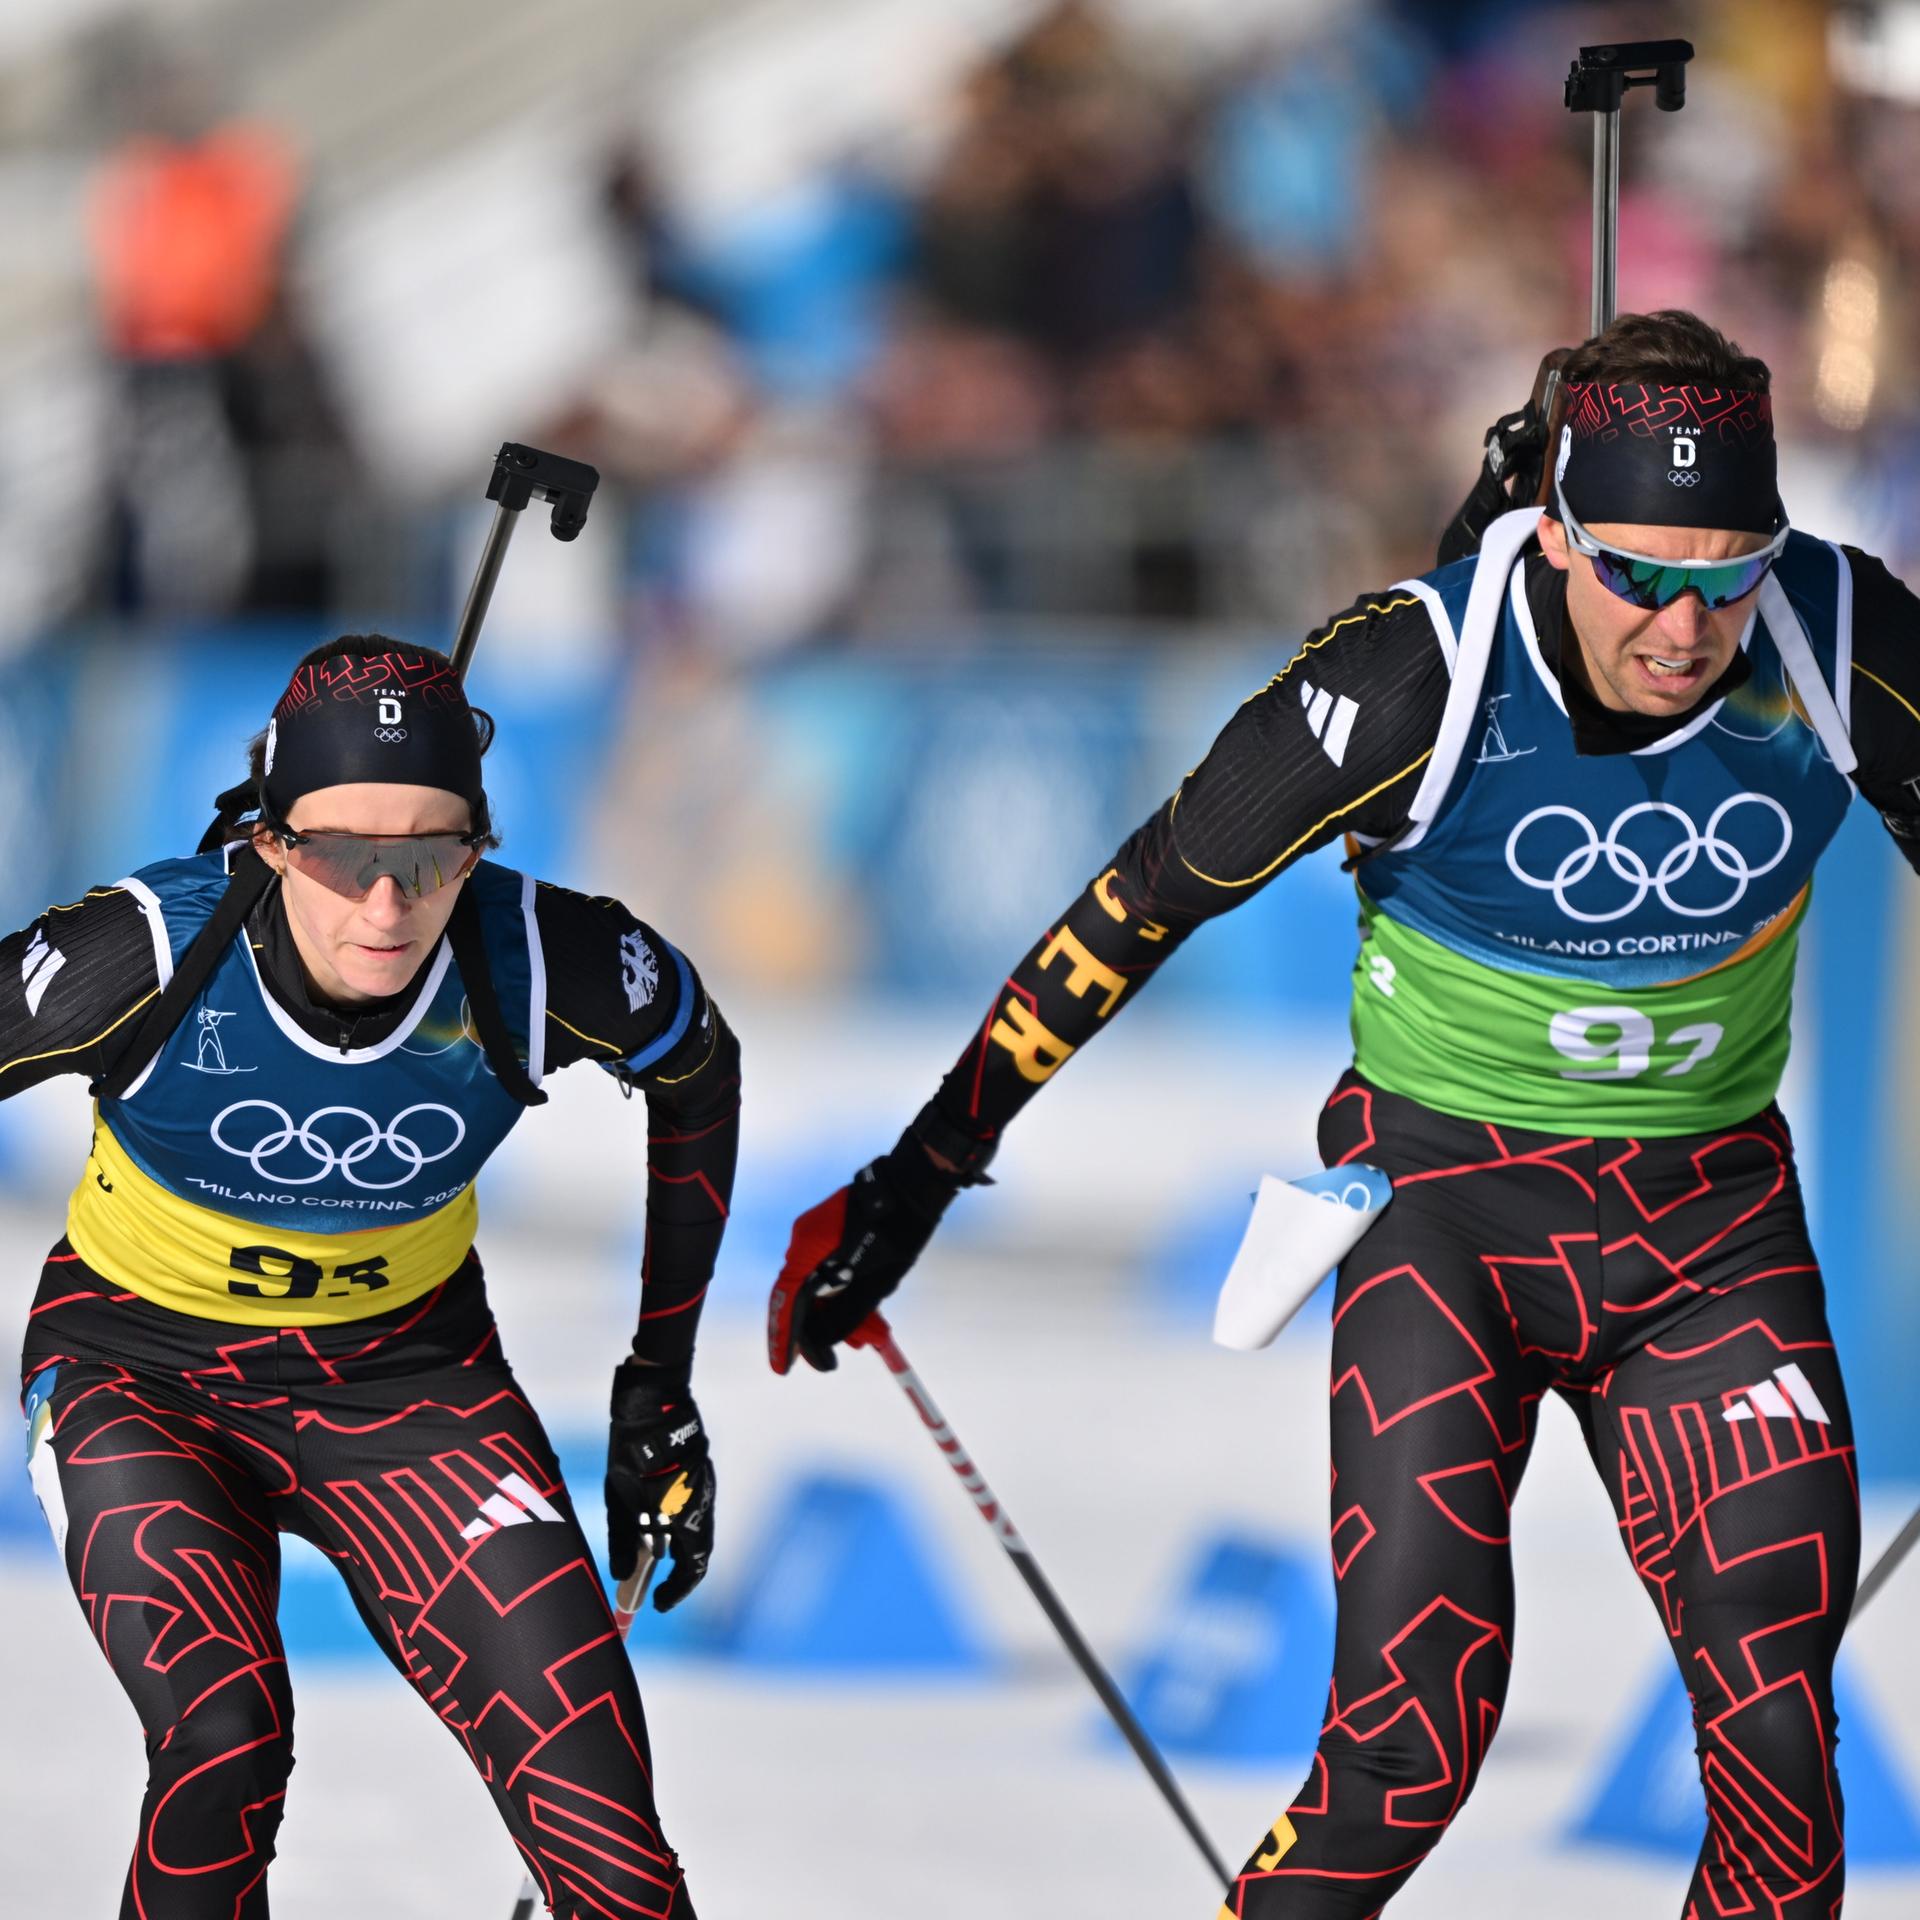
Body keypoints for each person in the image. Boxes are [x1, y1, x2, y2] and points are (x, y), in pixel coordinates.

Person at [768, 310, 1920, 1916]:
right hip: (1448, 1226)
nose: (1685, 625)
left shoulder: (1833, 634)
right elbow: (1136, 907)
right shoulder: (1413, 674)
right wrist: (920, 1175)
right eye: (1640, 574)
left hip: (1711, 1237)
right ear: (1558, 530)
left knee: (1780, 1748)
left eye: (1726, 573)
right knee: (1411, 1742)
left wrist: (1763, 606)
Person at [11, 636, 737, 1918]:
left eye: (430, 852)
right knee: (221, 1741)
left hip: (407, 1388)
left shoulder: (538, 955)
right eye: (344, 854)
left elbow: (698, 1065)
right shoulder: (146, 952)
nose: (387, 904)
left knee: (615, 1849)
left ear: (480, 841)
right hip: (144, 1378)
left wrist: (657, 1391)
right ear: (275, 838)